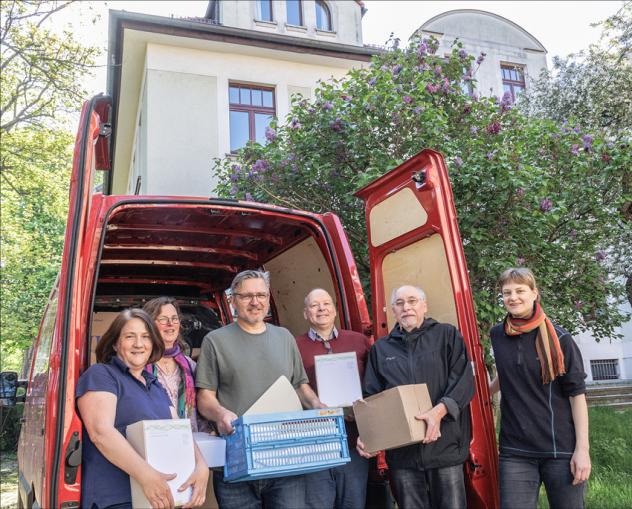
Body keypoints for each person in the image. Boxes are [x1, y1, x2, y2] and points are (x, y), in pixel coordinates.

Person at [196, 270, 324, 509]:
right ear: (232, 300)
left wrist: (318, 406)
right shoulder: (215, 341)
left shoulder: (285, 337)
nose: (255, 302)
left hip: (286, 458)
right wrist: (221, 414)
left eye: (261, 295)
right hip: (235, 461)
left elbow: (299, 386)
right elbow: (205, 398)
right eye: (247, 296)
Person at [76, 308, 208, 509]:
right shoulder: (101, 375)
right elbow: (101, 433)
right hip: (118, 498)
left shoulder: (155, 385)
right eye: (130, 336)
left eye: (146, 337)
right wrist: (146, 476)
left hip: (161, 498)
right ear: (115, 343)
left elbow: (180, 430)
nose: (139, 344)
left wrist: (201, 465)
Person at [358, 285, 473, 509]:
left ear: (424, 306)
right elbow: (372, 398)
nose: (406, 307)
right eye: (399, 303)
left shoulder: (447, 335)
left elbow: (464, 382)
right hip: (403, 456)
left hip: (445, 447)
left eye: (412, 301)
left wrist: (438, 412)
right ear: (393, 310)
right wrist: (369, 436)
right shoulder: (381, 349)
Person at [489, 268, 591, 509]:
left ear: (535, 293)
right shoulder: (498, 334)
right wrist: (478, 393)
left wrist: (582, 450)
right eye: (507, 292)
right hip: (515, 451)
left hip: (560, 448)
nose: (512, 297)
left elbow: (577, 396)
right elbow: (506, 373)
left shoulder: (560, 338)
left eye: (520, 290)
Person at [295, 288, 372, 509]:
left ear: (335, 310)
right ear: (305, 313)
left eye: (326, 304)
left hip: (353, 438)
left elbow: (374, 386)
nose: (321, 309)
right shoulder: (293, 345)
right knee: (317, 503)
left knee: (353, 502)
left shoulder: (359, 341)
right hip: (314, 441)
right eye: (314, 305)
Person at [143, 297, 200, 432]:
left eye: (174, 318)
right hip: (154, 438)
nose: (170, 324)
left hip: (190, 440)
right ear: (149, 324)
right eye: (163, 319)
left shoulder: (190, 365)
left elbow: (200, 412)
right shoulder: (140, 364)